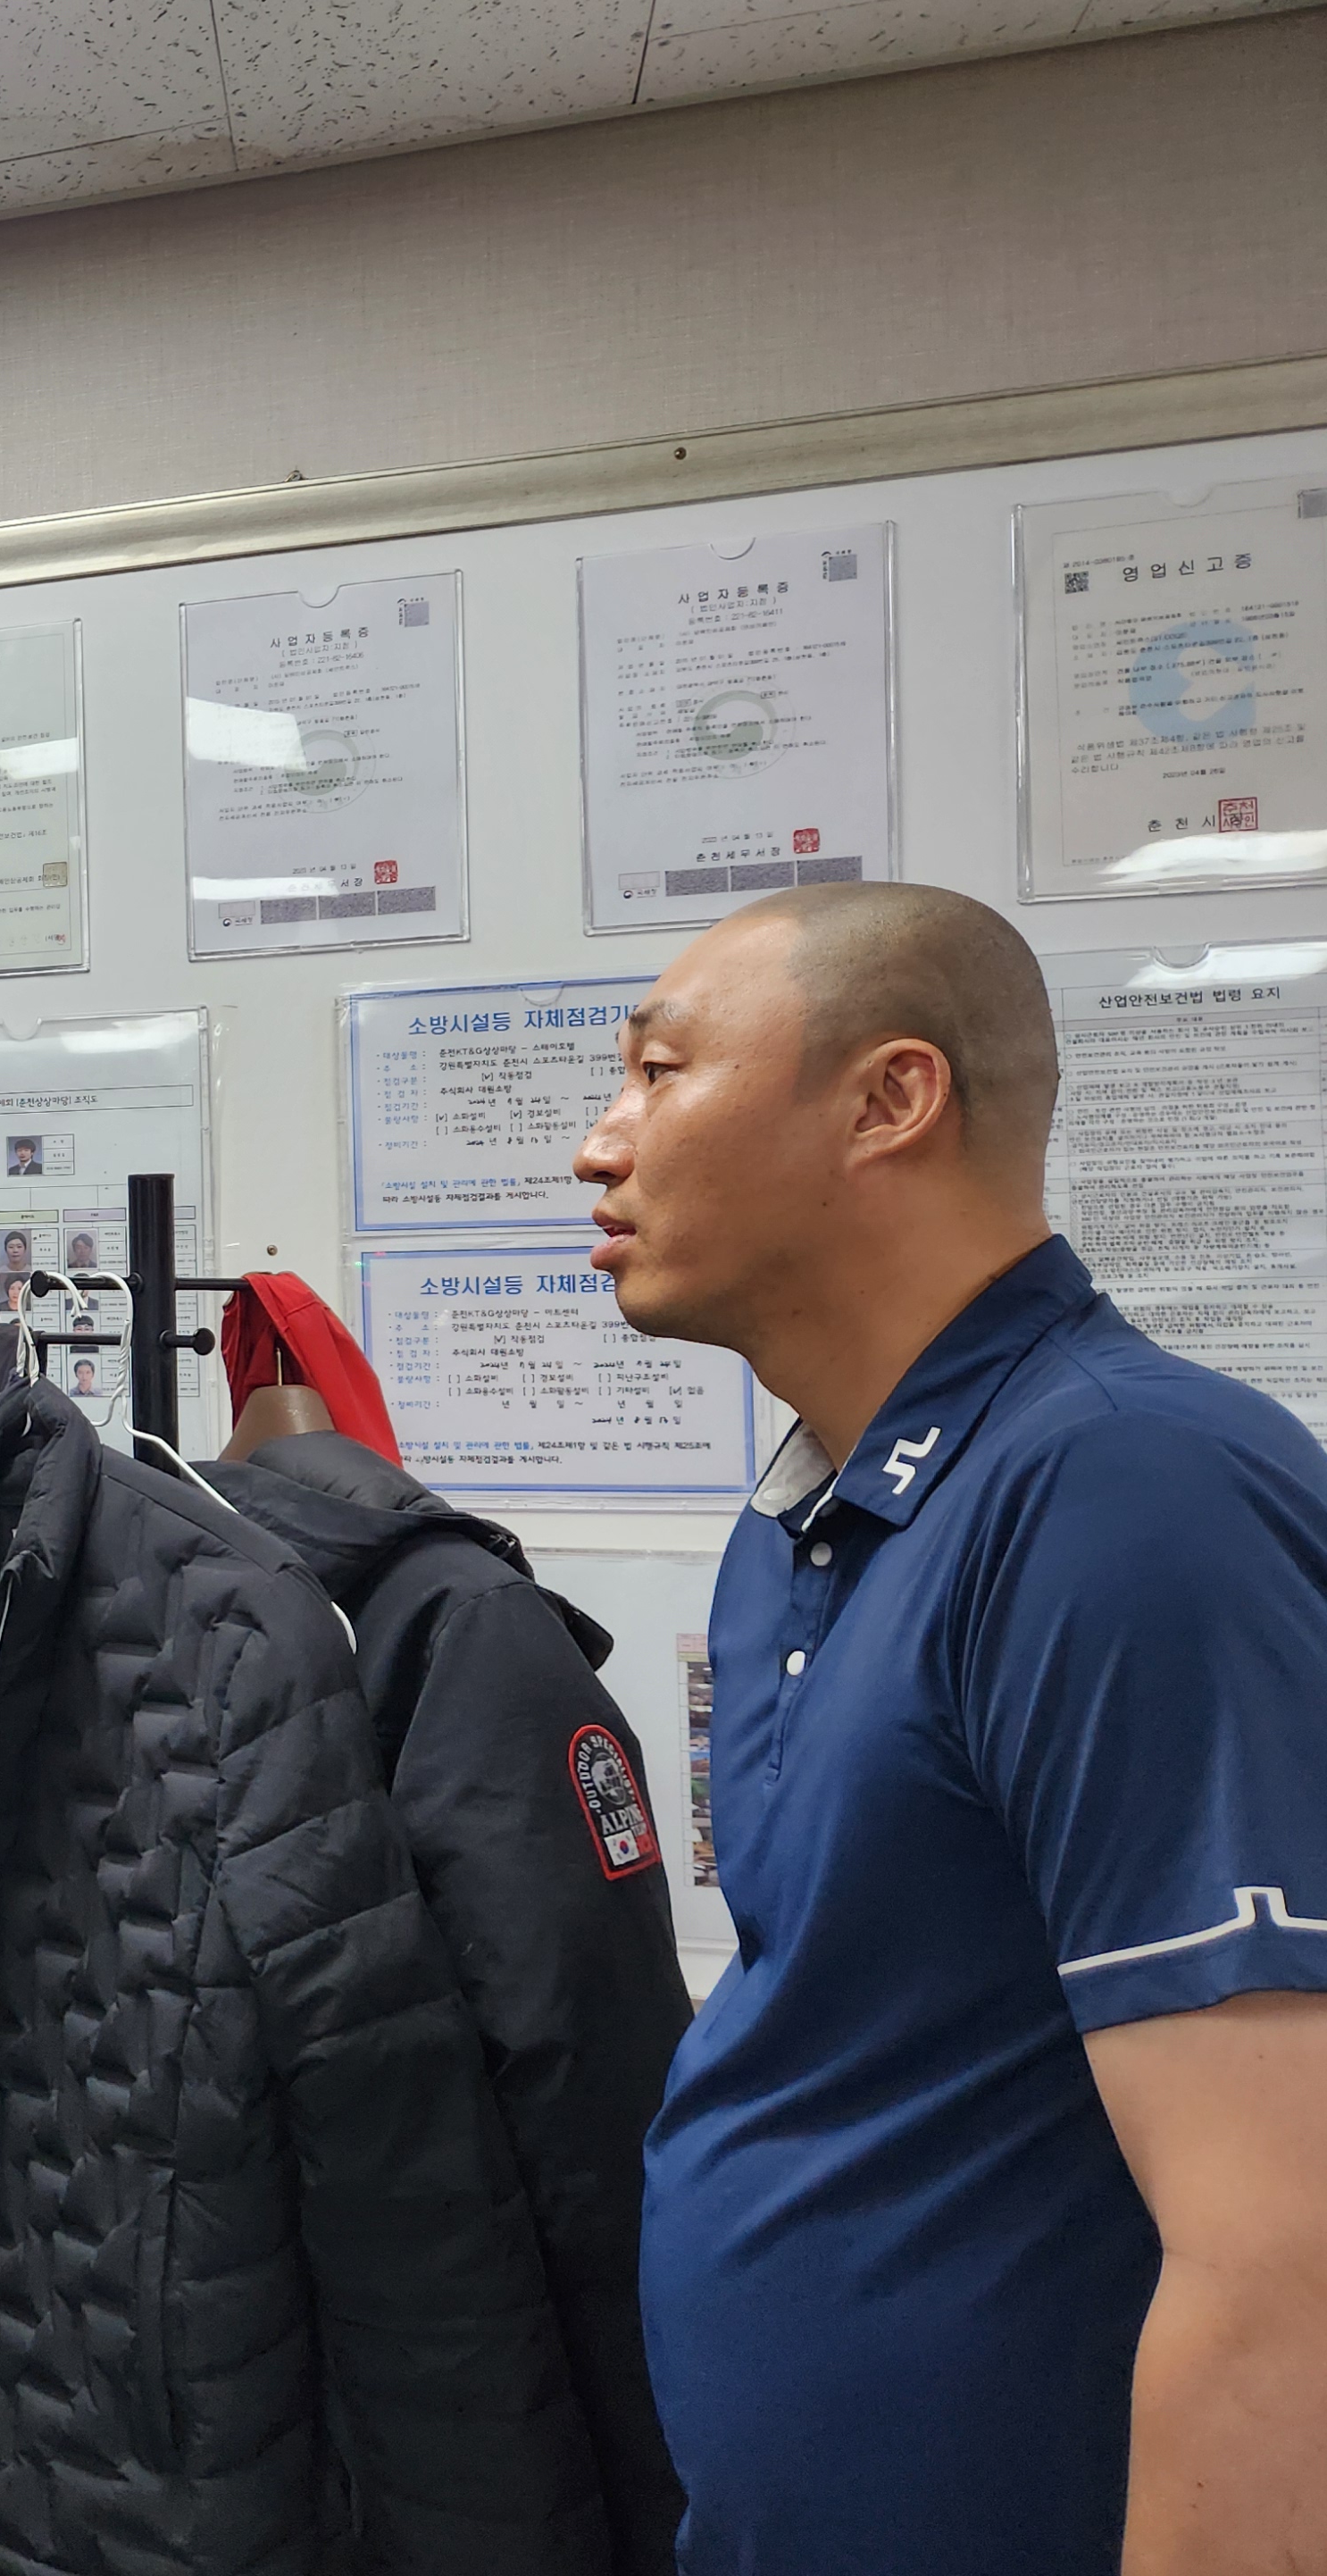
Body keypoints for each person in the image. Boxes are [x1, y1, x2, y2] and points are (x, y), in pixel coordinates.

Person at [574, 881, 1327, 2576]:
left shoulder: (1127, 1489)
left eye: (660, 1072)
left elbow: (1287, 2257)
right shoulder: (817, 1514)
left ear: (890, 1100)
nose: (599, 1144)